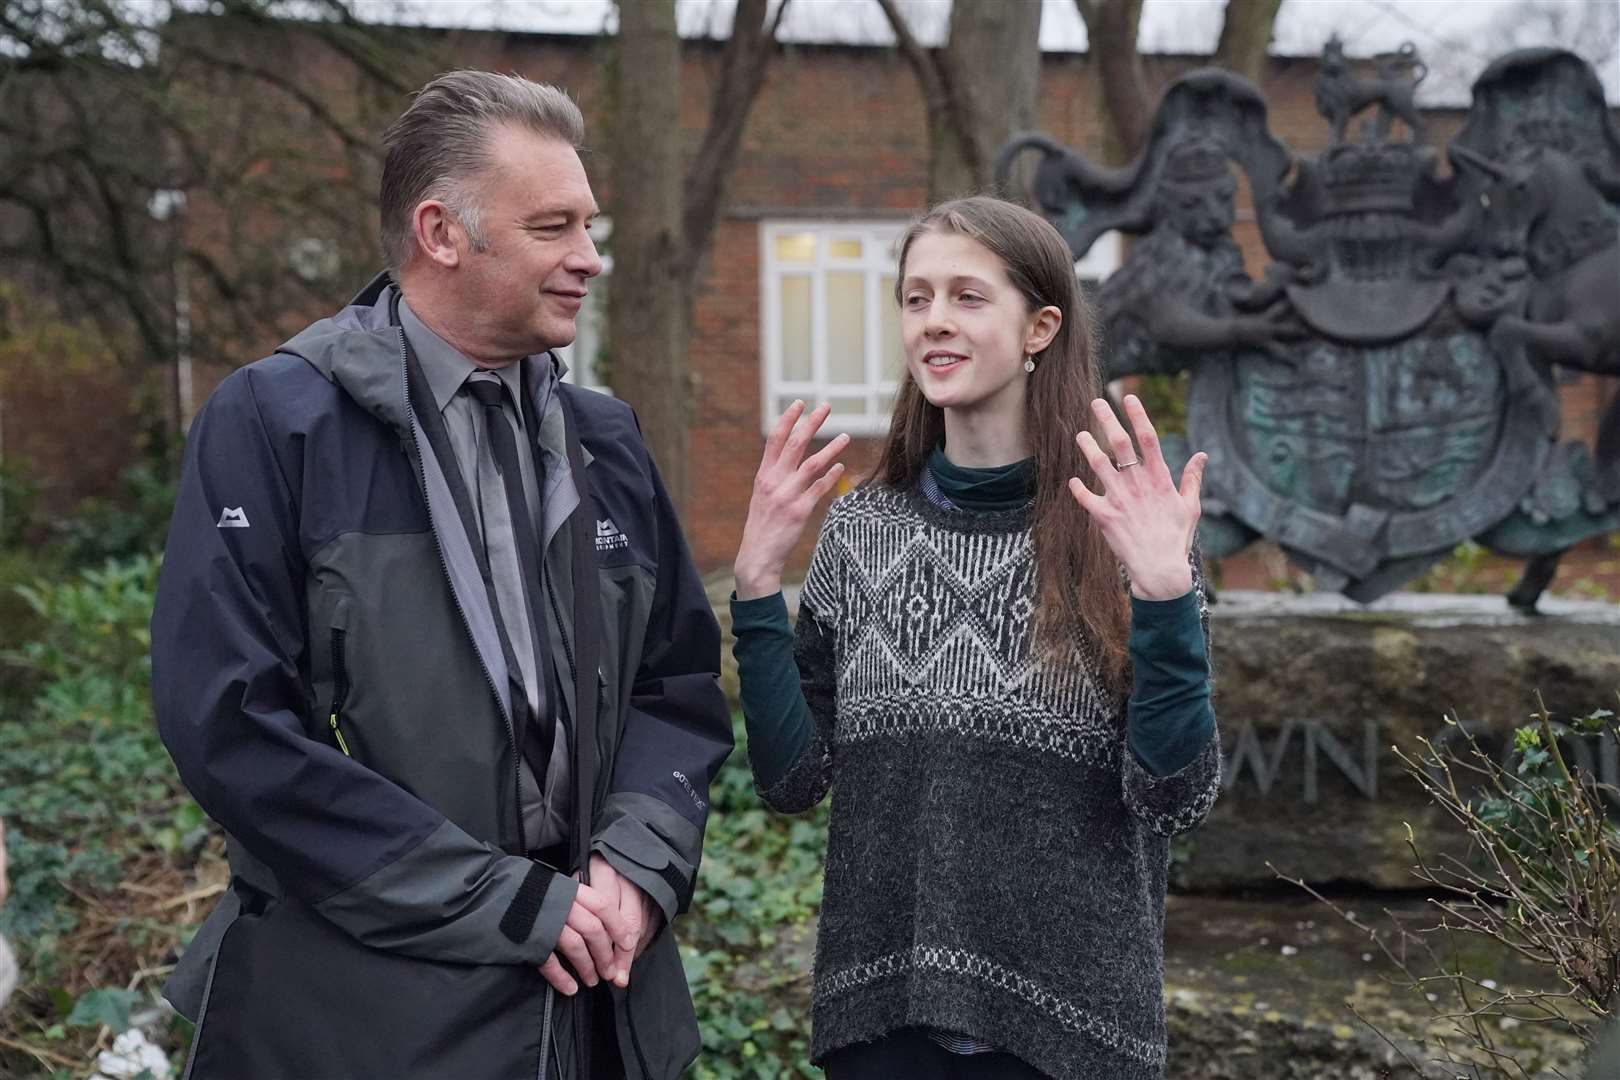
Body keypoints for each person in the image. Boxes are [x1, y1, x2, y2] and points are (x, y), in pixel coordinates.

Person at [150, 71, 731, 1080]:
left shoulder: (605, 441)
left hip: (605, 1017)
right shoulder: (276, 425)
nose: (590, 258)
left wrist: (636, 867)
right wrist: (509, 904)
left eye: (589, 225)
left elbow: (674, 690)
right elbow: (232, 729)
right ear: (442, 232)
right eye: (554, 227)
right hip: (361, 1025)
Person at [730, 196, 1221, 1079]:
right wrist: (759, 588)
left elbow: (1174, 799)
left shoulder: (1124, 533)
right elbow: (790, 778)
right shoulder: (861, 534)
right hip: (883, 1026)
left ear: (1040, 328)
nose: (934, 323)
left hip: (1070, 1031)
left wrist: (1165, 598)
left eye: (966, 297)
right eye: (916, 299)